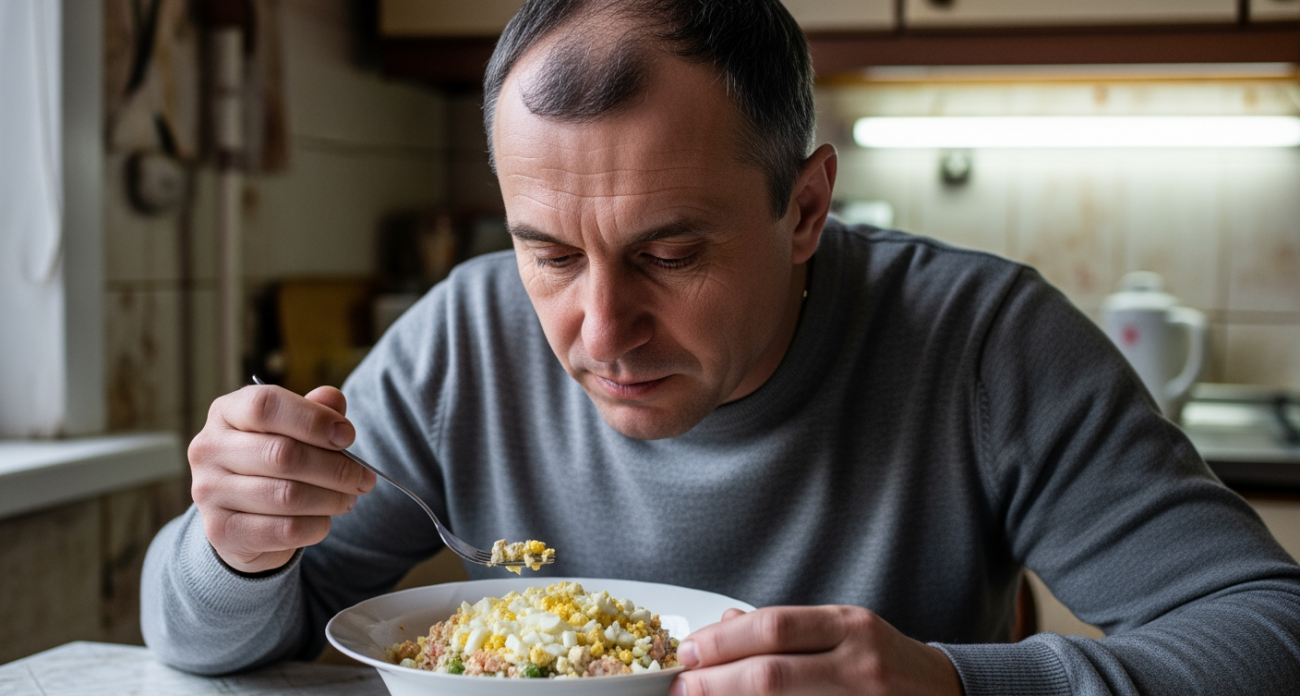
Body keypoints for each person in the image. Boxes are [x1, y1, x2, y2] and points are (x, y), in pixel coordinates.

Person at [142, 1, 1300, 693]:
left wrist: (957, 683)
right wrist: (236, 549)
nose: (597, 334)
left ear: (803, 212)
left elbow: (1266, 633)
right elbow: (208, 642)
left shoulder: (981, 345)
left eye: (669, 254)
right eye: (549, 254)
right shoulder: (463, 339)